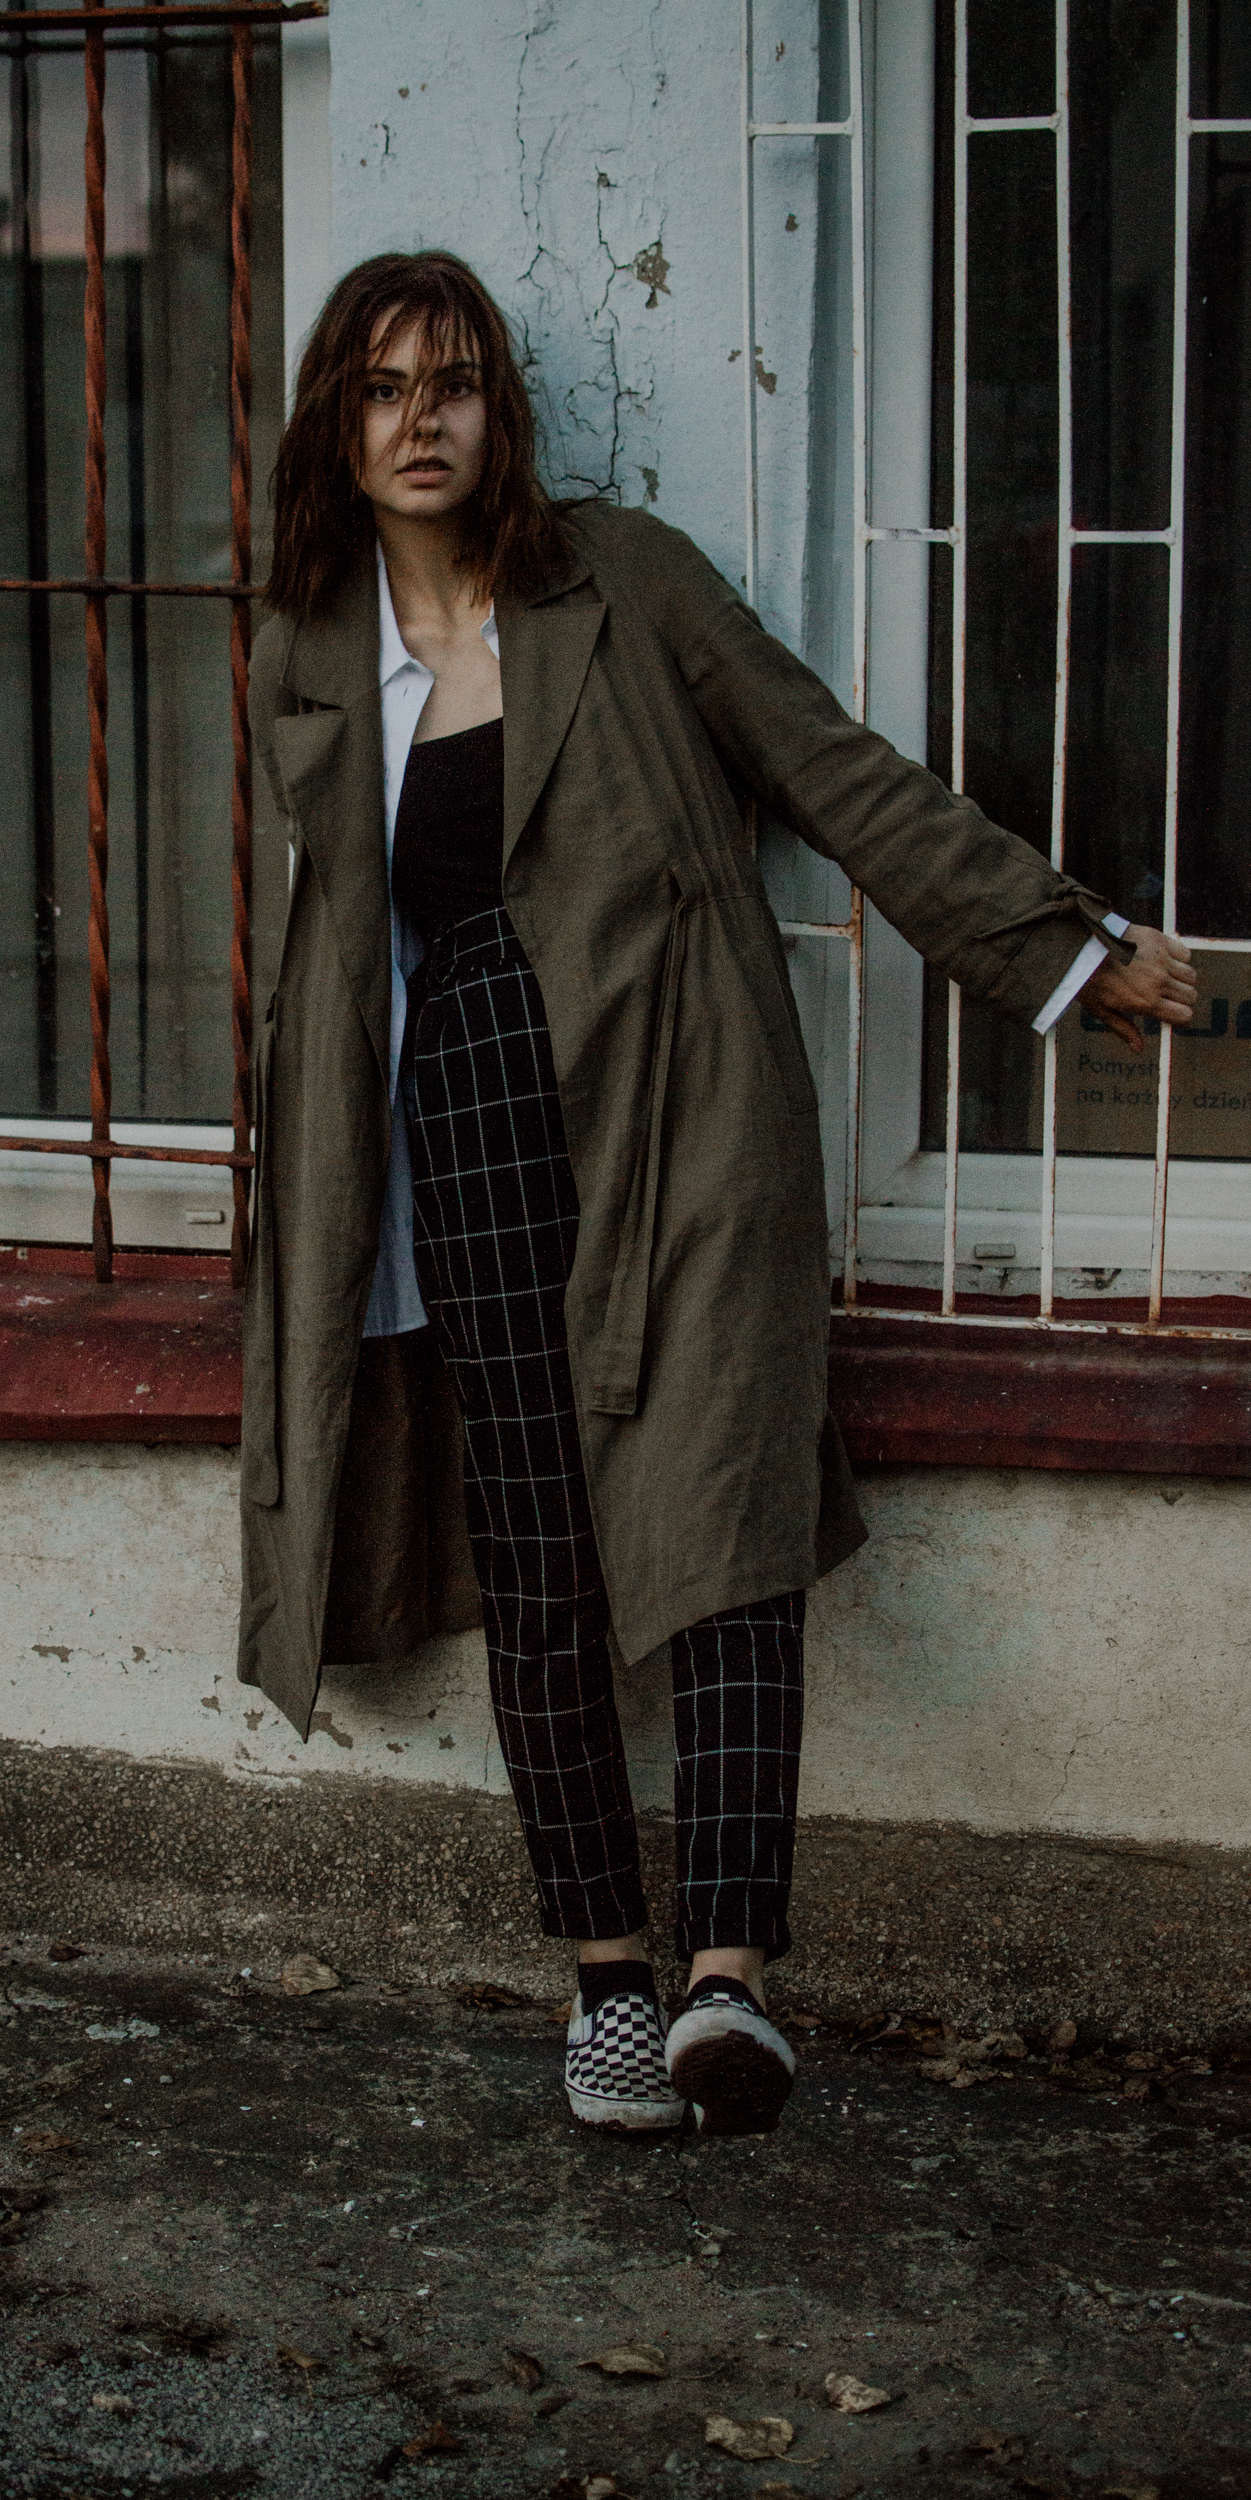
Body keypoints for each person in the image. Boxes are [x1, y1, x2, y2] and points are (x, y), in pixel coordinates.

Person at [237, 251, 1197, 2137]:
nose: (420, 422)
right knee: (537, 1551)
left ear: (499, 409)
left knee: (727, 1516)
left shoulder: (623, 580)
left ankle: (725, 1985)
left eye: (452, 383)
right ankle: (606, 1981)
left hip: (677, 1107)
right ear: (335, 429)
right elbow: (328, 944)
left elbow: (831, 769)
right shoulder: (305, 648)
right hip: (461, 1128)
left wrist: (1055, 945)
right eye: (381, 389)